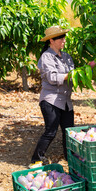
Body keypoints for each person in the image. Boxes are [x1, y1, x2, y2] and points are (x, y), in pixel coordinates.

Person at [29, 26, 75, 168]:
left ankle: (70, 159)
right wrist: (71, 75)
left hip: (66, 101)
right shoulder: (46, 57)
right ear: (51, 40)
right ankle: (36, 159)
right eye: (60, 38)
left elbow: (74, 74)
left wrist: (88, 70)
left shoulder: (66, 56)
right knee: (51, 131)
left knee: (69, 132)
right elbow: (52, 77)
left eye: (64, 37)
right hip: (51, 100)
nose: (64, 40)